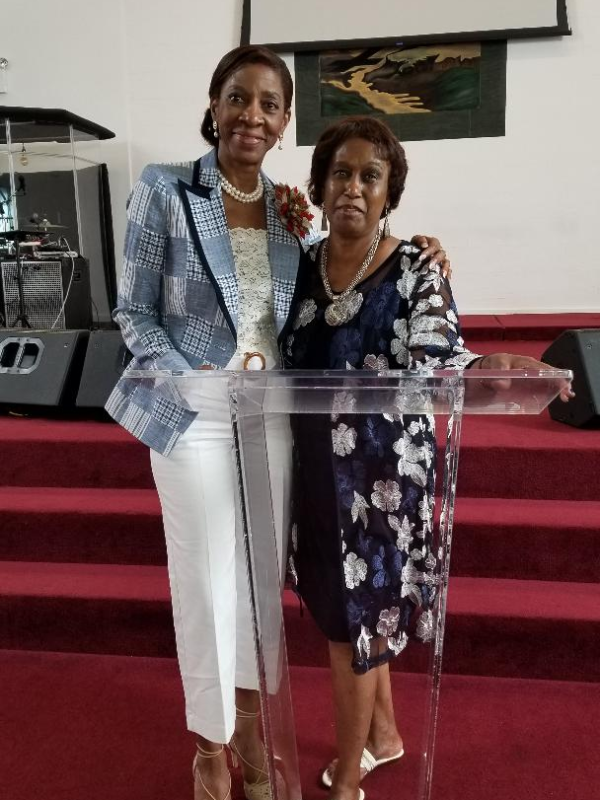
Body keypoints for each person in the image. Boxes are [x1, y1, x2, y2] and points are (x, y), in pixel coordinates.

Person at [105, 46, 451, 800]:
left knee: (261, 584)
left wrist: (424, 245)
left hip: (271, 415)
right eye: (239, 98)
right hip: (194, 411)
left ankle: (255, 736)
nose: (252, 115)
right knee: (205, 578)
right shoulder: (166, 190)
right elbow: (131, 310)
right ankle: (209, 746)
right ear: (215, 103)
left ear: (285, 119)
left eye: (269, 104)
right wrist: (181, 373)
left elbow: (345, 272)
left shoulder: (290, 211)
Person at [284, 115, 573, 800]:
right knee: (342, 612)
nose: (353, 186)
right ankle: (383, 737)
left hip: (383, 479)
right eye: (341, 173)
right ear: (320, 186)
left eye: (369, 176)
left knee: (355, 621)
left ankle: (349, 778)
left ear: (390, 193)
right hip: (314, 476)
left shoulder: (416, 267)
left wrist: (494, 366)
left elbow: (444, 355)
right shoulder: (298, 267)